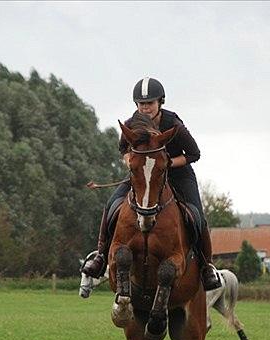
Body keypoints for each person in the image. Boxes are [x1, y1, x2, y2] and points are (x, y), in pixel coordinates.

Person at [82, 77, 221, 290]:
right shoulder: (131, 125)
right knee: (112, 205)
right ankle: (100, 255)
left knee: (197, 216)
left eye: (150, 103)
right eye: (141, 104)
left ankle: (206, 266)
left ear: (160, 103)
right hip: (143, 175)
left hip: (177, 172)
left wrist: (164, 165)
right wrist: (133, 162)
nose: (145, 108)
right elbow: (123, 150)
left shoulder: (173, 124)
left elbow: (194, 154)